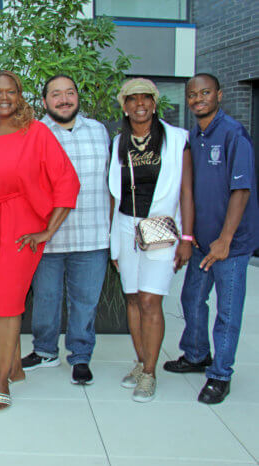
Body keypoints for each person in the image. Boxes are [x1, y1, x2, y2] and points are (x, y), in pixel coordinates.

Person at [0, 70, 80, 411]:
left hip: (21, 224)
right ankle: (15, 369)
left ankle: (2, 381)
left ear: (20, 96)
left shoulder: (37, 133)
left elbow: (68, 182)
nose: (4, 97)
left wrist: (47, 230)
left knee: (9, 302)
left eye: (11, 92)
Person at [163, 73, 258, 404]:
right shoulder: (195, 136)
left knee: (227, 311)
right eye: (192, 94)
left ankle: (220, 374)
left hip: (229, 246)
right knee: (191, 299)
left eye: (205, 92)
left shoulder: (233, 134)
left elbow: (241, 190)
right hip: (203, 241)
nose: (198, 98)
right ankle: (196, 354)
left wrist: (225, 239)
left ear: (219, 94)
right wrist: (191, 236)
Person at [20, 75, 111, 385]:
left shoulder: (99, 131)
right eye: (55, 94)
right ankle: (45, 351)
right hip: (47, 237)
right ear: (44, 101)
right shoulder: (33, 133)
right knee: (45, 298)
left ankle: (81, 356)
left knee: (85, 302)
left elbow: (111, 183)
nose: (63, 99)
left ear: (77, 97)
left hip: (92, 235)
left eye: (69, 93)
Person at [109, 78, 194, 403]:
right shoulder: (120, 141)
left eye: (146, 99)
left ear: (155, 104)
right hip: (126, 227)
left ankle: (150, 373)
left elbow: (186, 192)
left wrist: (186, 237)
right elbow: (113, 195)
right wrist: (113, 240)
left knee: (150, 300)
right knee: (132, 298)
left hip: (161, 229)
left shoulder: (176, 139)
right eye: (132, 99)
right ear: (125, 106)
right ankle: (142, 362)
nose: (139, 104)